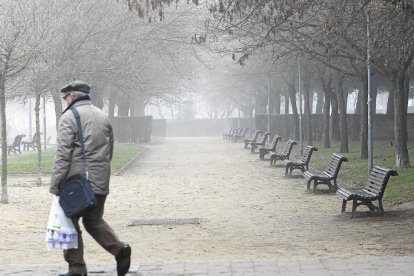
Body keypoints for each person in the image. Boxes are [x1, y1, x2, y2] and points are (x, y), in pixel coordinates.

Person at [49, 80, 131, 276]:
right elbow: (109, 151)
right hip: (101, 180)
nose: (65, 99)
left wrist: (55, 183)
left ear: (73, 96)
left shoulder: (69, 117)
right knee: (94, 220)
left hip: (77, 183)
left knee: (70, 222)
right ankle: (120, 249)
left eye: (66, 96)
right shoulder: (103, 116)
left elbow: (63, 154)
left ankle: (77, 268)